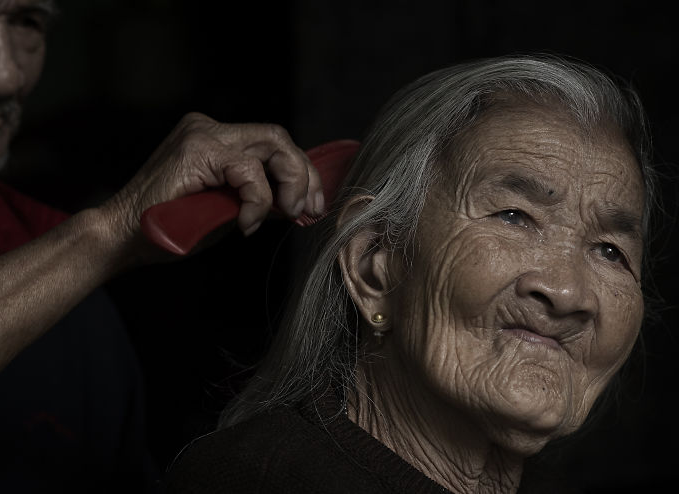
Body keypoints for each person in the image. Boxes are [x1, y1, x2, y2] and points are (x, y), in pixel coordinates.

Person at [0, 1, 325, 492]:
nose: (4, 77)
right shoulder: (87, 249)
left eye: (27, 22)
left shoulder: (62, 263)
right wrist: (108, 235)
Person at [165, 54, 656, 493]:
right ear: (373, 264)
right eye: (513, 216)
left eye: (611, 251)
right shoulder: (259, 480)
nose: (569, 292)